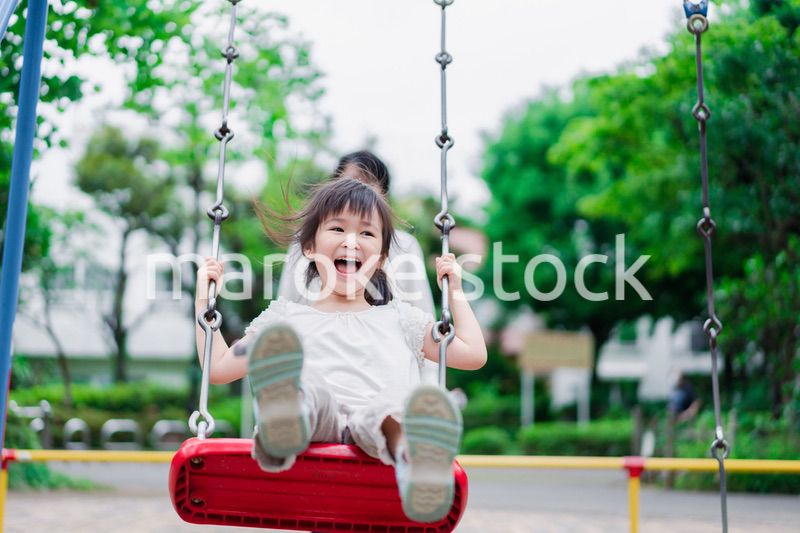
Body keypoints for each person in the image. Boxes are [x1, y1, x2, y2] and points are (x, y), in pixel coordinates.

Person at [195, 177, 487, 523]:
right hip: (315, 437)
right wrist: (204, 301)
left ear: (380, 258)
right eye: (337, 228)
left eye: (366, 233)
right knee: (306, 387)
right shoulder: (285, 319)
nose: (351, 241)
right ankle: (286, 420)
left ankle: (412, 452)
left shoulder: (401, 319)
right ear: (308, 246)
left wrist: (454, 290)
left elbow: (471, 353)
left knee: (391, 406)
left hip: (374, 444)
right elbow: (219, 368)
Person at [277, 150, 440, 385]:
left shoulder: (403, 246)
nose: (358, 192)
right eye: (350, 182)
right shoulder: (305, 244)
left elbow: (423, 314)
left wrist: (430, 387)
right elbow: (287, 301)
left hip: (383, 361)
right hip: (318, 357)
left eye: (369, 186)